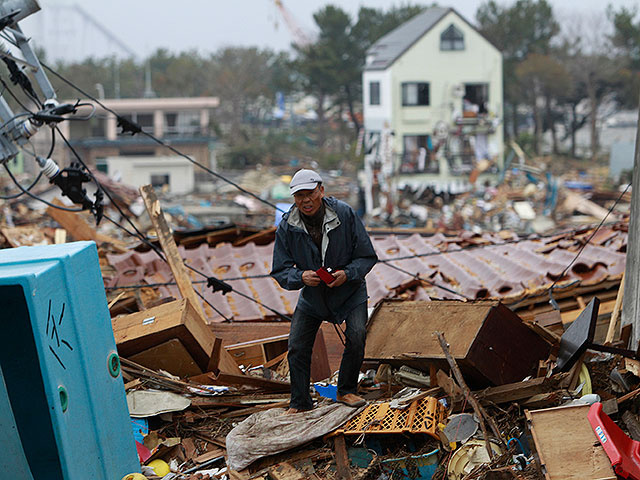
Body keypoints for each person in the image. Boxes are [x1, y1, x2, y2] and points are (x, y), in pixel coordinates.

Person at [271, 169, 378, 414]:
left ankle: (346, 390)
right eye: (299, 196)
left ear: (321, 190)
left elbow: (366, 256)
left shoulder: (344, 214)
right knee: (297, 346)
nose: (305, 201)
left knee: (357, 335)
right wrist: (301, 276)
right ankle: (299, 402)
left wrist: (347, 274)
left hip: (350, 292)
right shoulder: (288, 225)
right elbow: (280, 269)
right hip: (313, 297)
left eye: (310, 194)